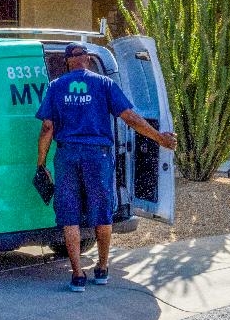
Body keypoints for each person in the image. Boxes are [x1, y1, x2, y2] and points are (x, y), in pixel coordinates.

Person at [37, 42, 177, 292]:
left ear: (68, 62)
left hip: (67, 156)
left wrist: (41, 163)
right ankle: (101, 269)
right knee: (102, 212)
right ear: (88, 59)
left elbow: (47, 128)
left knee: (69, 216)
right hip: (97, 156)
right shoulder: (104, 85)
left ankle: (77, 275)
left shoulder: (56, 87)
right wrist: (159, 138)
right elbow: (130, 117)